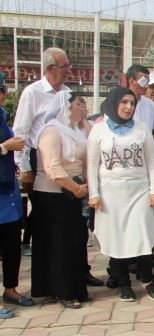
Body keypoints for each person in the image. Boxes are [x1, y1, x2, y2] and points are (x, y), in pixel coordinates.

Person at [87, 87, 154, 302]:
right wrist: (94, 194)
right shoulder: (99, 130)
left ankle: (147, 279)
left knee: (143, 236)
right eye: (124, 102)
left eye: (132, 103)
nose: (128, 107)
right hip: (110, 195)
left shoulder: (141, 129)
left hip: (139, 192)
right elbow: (92, 165)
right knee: (117, 238)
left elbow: (151, 162)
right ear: (114, 103)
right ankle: (123, 283)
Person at [33, 91, 91, 308]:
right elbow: (52, 167)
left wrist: (85, 121)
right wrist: (76, 188)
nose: (83, 106)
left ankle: (75, 288)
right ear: (65, 107)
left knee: (74, 243)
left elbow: (92, 146)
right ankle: (62, 292)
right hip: (53, 195)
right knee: (58, 245)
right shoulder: (51, 131)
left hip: (74, 194)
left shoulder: (76, 130)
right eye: (79, 103)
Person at [12, 47, 71, 259]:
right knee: (45, 218)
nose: (68, 70)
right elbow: (21, 132)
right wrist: (25, 168)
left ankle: (73, 270)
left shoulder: (67, 94)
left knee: (66, 219)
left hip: (66, 163)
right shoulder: (33, 93)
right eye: (65, 66)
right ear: (50, 68)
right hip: (40, 162)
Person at [0, 72, 30, 318]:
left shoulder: (2, 116)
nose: (4, 94)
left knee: (12, 246)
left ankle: (10, 288)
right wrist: (4, 147)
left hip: (7, 190)